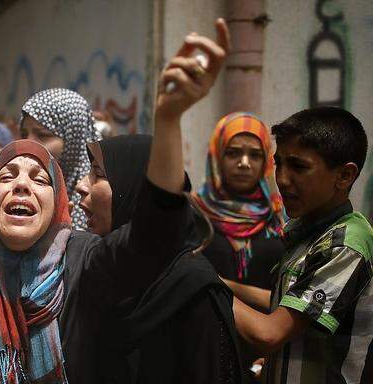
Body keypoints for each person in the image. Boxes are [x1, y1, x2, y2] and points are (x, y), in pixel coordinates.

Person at [0, 3, 230, 383]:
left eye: (40, 179)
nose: (21, 184)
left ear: (57, 203)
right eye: (7, 174)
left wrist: (168, 119)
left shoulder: (84, 260)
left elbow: (155, 236)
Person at [75, 134, 243, 383]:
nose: (81, 185)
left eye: (98, 174)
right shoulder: (97, 270)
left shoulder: (189, 285)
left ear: (137, 191)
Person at [228, 107, 373, 384]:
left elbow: (269, 334)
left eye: (298, 167)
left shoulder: (345, 244)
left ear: (344, 176)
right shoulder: (305, 230)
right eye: (278, 164)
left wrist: (201, 281)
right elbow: (289, 301)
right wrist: (225, 283)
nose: (281, 178)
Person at [192, 112, 285, 290]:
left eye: (255, 155)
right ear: (217, 156)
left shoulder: (279, 214)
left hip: (267, 317)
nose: (244, 163)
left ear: (266, 161)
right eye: (233, 153)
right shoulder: (194, 211)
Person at [20, 88, 102, 230]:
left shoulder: (98, 200)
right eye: (23, 134)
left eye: (43, 135)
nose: (28, 144)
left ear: (73, 139)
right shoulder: (19, 184)